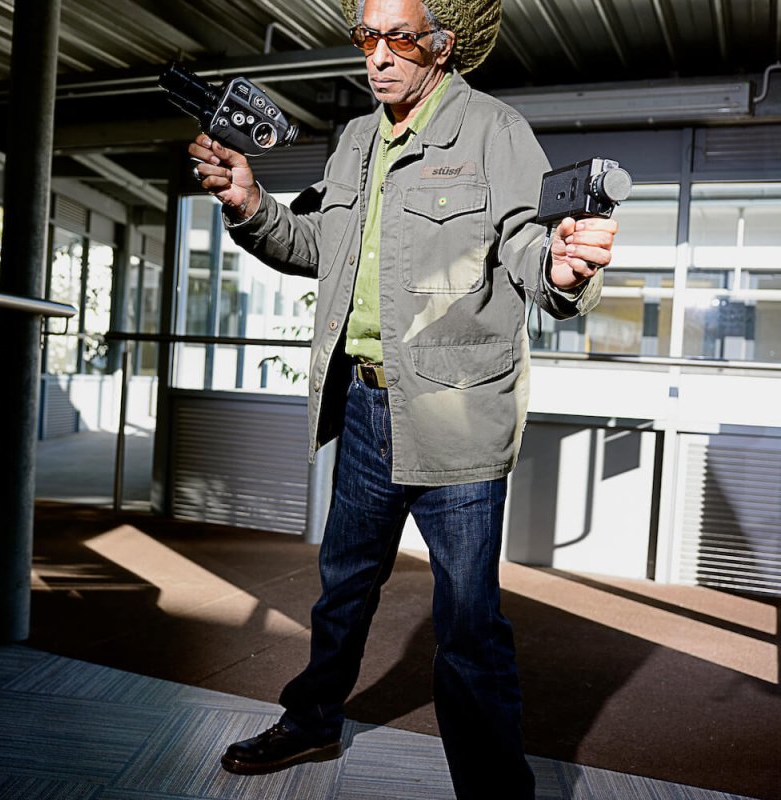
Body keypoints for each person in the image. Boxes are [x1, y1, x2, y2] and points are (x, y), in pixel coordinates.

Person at [189, 0, 617, 796]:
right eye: (365, 37)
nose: (377, 56)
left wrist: (562, 273)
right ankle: (314, 720)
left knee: (467, 622)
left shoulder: (494, 131)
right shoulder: (356, 140)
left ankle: (494, 787)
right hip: (362, 406)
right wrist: (248, 203)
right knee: (343, 584)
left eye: (398, 38)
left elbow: (530, 244)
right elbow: (316, 246)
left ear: (441, 45)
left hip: (455, 414)